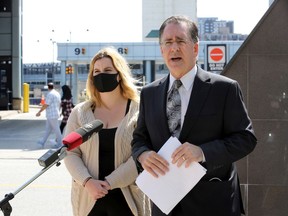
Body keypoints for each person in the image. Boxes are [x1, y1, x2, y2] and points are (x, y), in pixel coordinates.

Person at [131, 15, 257, 216]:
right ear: (162, 50)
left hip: (213, 204)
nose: (174, 48)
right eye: (168, 42)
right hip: (165, 204)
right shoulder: (149, 93)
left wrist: (202, 152)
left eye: (181, 41)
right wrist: (143, 155)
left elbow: (246, 139)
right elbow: (139, 139)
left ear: (195, 48)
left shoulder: (224, 89)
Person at [64, 47, 151, 216]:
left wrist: (109, 183)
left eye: (107, 70)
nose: (101, 75)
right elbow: (70, 153)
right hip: (89, 198)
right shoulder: (80, 112)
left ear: (119, 74)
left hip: (128, 200)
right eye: (96, 71)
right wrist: (88, 182)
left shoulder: (139, 109)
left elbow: (143, 153)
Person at [36, 82, 62, 148]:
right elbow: (59, 103)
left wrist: (39, 112)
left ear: (48, 87)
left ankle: (60, 144)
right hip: (54, 113)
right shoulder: (57, 93)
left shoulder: (50, 94)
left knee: (56, 129)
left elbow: (46, 105)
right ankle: (42, 142)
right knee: (48, 129)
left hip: (51, 114)